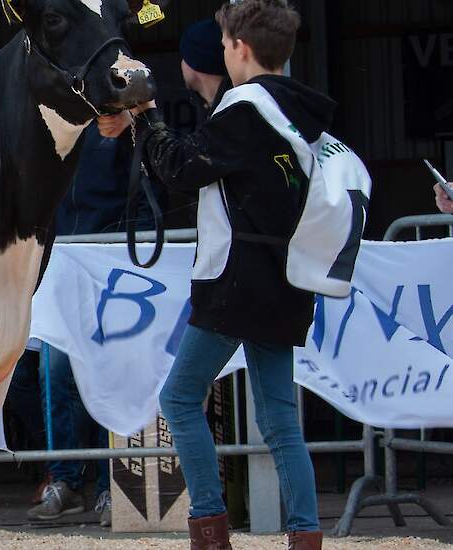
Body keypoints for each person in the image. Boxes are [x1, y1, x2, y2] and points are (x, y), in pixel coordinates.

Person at [99, 1, 323, 548]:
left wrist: (145, 115)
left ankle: (209, 527)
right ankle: (305, 535)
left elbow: (181, 168)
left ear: (241, 49)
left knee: (179, 397)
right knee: (281, 421)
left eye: (225, 44)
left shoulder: (244, 108)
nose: (222, 52)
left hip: (237, 279)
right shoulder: (300, 113)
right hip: (287, 276)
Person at [23, 120, 163, 527]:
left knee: (105, 375)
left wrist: (132, 260)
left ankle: (108, 486)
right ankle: (65, 480)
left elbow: (146, 198)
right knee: (53, 373)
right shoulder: (53, 125)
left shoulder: (126, 124)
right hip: (62, 268)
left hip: (112, 272)